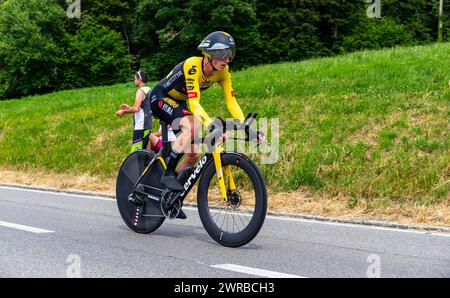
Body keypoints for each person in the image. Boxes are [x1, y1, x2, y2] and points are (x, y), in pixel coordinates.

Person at [149, 31, 262, 192]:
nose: (227, 59)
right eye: (223, 54)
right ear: (209, 54)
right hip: (160, 97)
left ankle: (168, 196)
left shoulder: (223, 72)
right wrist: (211, 125)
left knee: (193, 155)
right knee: (193, 124)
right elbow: (194, 103)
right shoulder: (192, 66)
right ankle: (168, 174)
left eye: (230, 54)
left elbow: (231, 101)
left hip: (178, 102)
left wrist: (245, 126)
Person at [116, 70, 154, 152]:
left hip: (141, 126)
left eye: (135, 79)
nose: (134, 81)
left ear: (139, 80)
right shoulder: (149, 89)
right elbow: (142, 109)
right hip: (147, 125)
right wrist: (128, 107)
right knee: (144, 152)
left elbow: (136, 109)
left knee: (136, 153)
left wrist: (123, 112)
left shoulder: (140, 91)